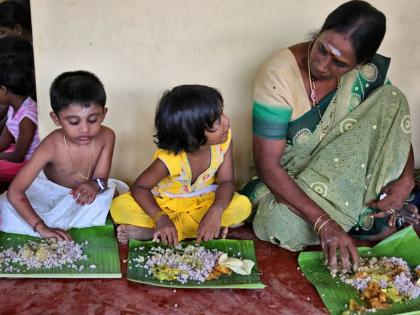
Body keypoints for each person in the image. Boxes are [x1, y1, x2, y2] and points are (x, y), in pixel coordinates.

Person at [243, 0, 419, 272]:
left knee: (393, 100)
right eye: (322, 48)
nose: (323, 65)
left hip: (344, 172)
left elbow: (392, 124)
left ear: (360, 63)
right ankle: (364, 218)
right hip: (294, 179)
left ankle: (369, 211)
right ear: (320, 31)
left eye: (339, 62)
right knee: (277, 221)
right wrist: (325, 224)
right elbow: (268, 166)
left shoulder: (365, 74)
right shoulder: (278, 74)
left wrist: (406, 179)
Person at [111, 85, 251, 245]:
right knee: (119, 206)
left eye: (222, 113)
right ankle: (181, 229)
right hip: (165, 204)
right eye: (216, 121)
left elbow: (226, 182)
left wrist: (215, 211)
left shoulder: (224, 141)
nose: (227, 121)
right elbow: (140, 187)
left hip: (202, 201)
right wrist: (161, 218)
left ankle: (153, 233)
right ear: (192, 135)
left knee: (242, 206)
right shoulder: (171, 159)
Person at [0, 70, 117, 240]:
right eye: (73, 121)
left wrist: (93, 185)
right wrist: (41, 227)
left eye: (93, 119)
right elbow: (15, 191)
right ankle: (52, 224)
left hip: (82, 197)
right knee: (6, 206)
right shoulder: (50, 145)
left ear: (103, 114)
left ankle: (65, 219)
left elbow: (101, 180)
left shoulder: (107, 136)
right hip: (49, 194)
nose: (84, 129)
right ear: (56, 119)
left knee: (107, 200)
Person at [0, 54, 39, 184]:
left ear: (3, 90)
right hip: (19, 156)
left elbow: (18, 156)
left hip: (30, 165)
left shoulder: (27, 117)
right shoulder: (13, 107)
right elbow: (3, 143)